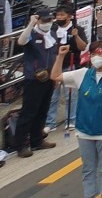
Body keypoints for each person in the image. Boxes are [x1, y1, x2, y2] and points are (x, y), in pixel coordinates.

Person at [50, 41, 102, 198]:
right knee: (88, 168)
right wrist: (60, 56)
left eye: (100, 54)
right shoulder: (82, 74)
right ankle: (90, 195)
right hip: (85, 130)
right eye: (93, 54)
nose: (96, 58)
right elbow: (55, 76)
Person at [14, 9, 59, 157]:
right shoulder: (32, 35)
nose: (47, 23)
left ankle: (37, 140)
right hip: (34, 79)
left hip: (49, 78)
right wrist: (31, 24)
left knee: (42, 110)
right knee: (28, 112)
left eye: (49, 20)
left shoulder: (52, 35)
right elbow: (21, 41)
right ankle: (20, 145)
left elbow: (54, 55)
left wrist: (55, 76)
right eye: (44, 21)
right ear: (38, 20)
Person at [46, 5, 86, 132]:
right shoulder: (52, 29)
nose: (59, 17)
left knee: (71, 95)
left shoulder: (77, 29)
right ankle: (50, 122)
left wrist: (76, 36)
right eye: (57, 15)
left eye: (62, 15)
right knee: (53, 95)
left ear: (69, 17)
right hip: (55, 66)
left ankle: (72, 120)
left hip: (71, 65)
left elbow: (83, 47)